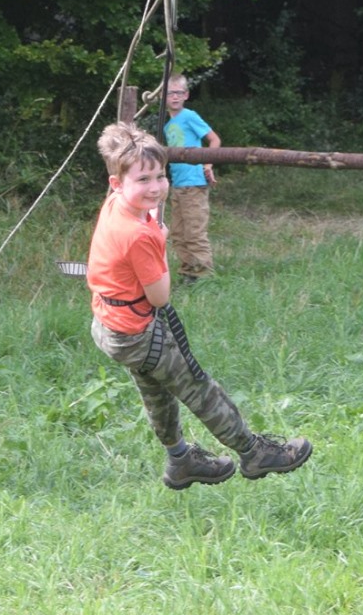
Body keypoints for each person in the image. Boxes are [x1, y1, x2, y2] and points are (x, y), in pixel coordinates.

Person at [87, 122, 312, 489]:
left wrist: (146, 207)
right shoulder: (139, 235)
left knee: (155, 390)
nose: (156, 187)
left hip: (111, 326)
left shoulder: (115, 205)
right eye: (143, 180)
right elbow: (160, 296)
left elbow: (138, 200)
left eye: (160, 176)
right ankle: (255, 453)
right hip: (136, 331)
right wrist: (160, 241)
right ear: (117, 184)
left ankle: (181, 461)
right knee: (197, 386)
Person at [162, 75, 219, 281]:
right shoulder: (168, 125)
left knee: (194, 232)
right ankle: (188, 272)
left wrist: (207, 164)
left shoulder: (189, 116)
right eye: (170, 93)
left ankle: (205, 276)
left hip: (194, 183)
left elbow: (214, 140)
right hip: (178, 184)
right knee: (178, 232)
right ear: (163, 97)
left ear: (186, 95)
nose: (175, 97)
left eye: (179, 92)